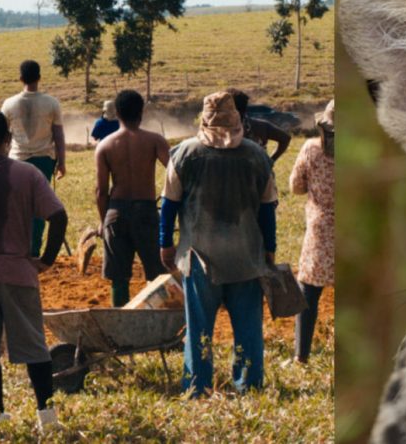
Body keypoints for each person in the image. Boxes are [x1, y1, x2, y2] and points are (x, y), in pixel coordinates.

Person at [159, 89, 277, 396]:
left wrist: (165, 244)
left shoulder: (185, 153)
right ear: (238, 119)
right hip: (247, 258)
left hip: (200, 258)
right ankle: (249, 386)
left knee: (199, 329)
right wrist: (270, 250)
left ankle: (197, 387)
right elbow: (268, 210)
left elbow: (168, 205)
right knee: (248, 329)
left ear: (204, 120)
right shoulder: (257, 155)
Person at [0, 109, 67, 430]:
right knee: (34, 345)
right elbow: (58, 216)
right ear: (8, 140)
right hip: (19, 272)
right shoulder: (27, 174)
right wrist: (47, 260)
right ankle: (46, 416)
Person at [95, 90, 169, 307]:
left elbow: (100, 191)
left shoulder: (105, 145)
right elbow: (175, 173)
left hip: (116, 213)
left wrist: (102, 222)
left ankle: (120, 317)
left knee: (119, 277)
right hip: (145, 211)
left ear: (116, 113)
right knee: (156, 273)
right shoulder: (155, 141)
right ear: (141, 112)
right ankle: (155, 318)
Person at [1, 60, 66, 257]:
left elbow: (3, 136)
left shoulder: (9, 104)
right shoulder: (51, 103)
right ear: (39, 77)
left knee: (16, 204)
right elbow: (59, 135)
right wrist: (62, 162)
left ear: (20, 78)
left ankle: (15, 247)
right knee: (39, 207)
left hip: (17, 160)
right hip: (44, 160)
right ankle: (34, 250)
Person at [289, 99, 335, 363]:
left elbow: (296, 186)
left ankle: (301, 355)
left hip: (320, 229)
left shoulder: (311, 149)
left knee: (308, 291)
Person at [236, 92, 291, 163]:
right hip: (259, 170)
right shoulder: (261, 126)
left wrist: (271, 162)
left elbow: (285, 138)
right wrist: (271, 162)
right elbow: (285, 138)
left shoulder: (222, 129)